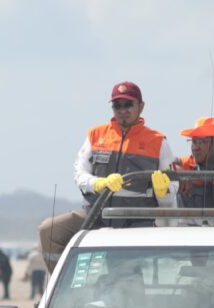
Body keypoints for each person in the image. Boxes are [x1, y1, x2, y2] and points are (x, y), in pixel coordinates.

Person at [37, 81, 176, 271]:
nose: (122, 110)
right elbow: (79, 173)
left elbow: (171, 192)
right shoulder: (95, 135)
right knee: (49, 230)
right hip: (95, 214)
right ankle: (61, 283)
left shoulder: (158, 142)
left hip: (135, 221)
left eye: (128, 104)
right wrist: (98, 183)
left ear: (141, 107)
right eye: (117, 105)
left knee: (125, 278)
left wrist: (163, 191)